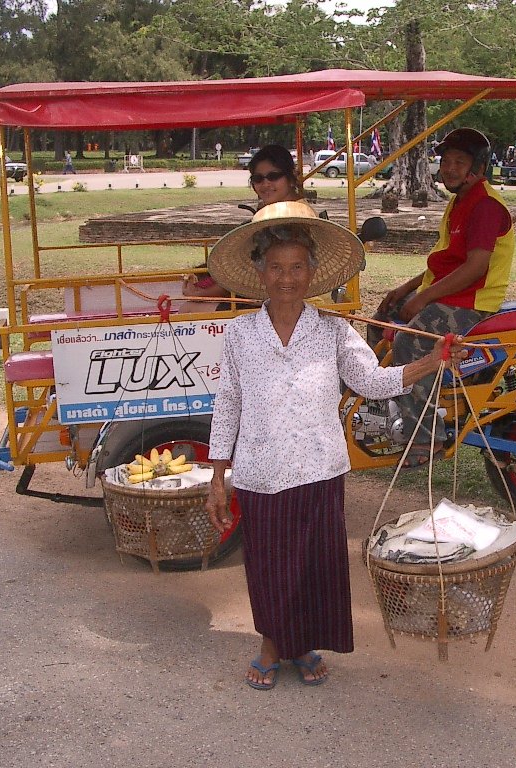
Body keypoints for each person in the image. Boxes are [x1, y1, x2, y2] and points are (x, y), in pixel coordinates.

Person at [205, 201, 468, 690]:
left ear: (311, 273)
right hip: (261, 471)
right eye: (277, 268)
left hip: (320, 468)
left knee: (313, 564)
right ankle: (270, 642)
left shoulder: (332, 330)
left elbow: (372, 381)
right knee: (266, 563)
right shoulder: (240, 333)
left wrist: (430, 362)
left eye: (297, 267)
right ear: (260, 273)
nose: (287, 278)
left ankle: (303, 643)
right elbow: (229, 404)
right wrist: (217, 476)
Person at [370, 128, 514, 466]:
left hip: (472, 302)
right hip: (452, 294)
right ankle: (389, 404)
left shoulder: (486, 206)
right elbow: (448, 260)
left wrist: (423, 299)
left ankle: (426, 437)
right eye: (446, 161)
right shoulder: (460, 202)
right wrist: (404, 290)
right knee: (380, 322)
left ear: (477, 167)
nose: (448, 168)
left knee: (410, 342)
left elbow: (477, 266)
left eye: (458, 162)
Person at [182, 144, 304, 308]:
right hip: (271, 294)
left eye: (273, 176)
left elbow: (251, 271)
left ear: (290, 178)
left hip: (288, 299)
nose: (265, 184)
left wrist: (200, 294)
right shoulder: (275, 211)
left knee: (191, 309)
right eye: (258, 179)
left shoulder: (294, 216)